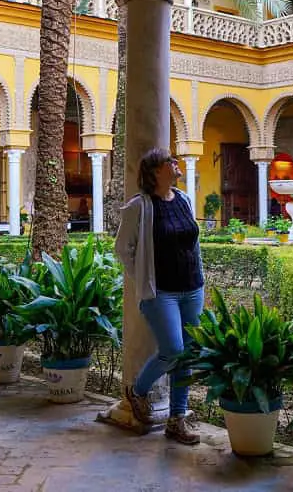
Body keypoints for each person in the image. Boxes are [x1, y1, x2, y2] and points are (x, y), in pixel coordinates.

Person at [115, 147, 204, 445]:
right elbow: (122, 249)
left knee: (186, 355)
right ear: (155, 171)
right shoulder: (139, 206)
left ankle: (176, 420)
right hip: (161, 292)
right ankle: (137, 391)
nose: (176, 163)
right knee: (173, 350)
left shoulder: (184, 200)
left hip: (192, 288)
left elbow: (192, 244)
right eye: (170, 161)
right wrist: (142, 277)